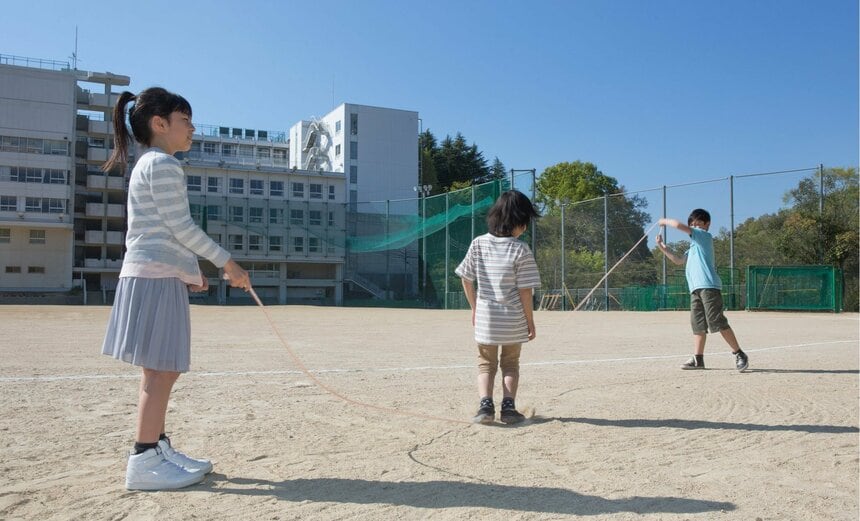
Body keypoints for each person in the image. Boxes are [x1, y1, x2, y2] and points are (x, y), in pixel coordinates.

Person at [101, 87, 251, 490]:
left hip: (156, 274)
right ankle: (145, 457)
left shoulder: (150, 164)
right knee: (162, 369)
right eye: (185, 121)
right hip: (152, 277)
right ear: (160, 123)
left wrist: (190, 272)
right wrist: (227, 263)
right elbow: (181, 229)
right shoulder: (163, 165)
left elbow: (162, 233)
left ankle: (157, 448)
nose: (192, 129)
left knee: (163, 369)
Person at [455, 190, 541, 424]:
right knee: (511, 364)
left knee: (485, 364)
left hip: (487, 320)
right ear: (520, 221)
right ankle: (509, 407)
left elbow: (466, 278)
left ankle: (485, 407)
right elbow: (525, 291)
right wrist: (530, 321)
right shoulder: (521, 249)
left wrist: (475, 307)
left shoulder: (478, 243)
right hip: (513, 320)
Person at [656, 209, 749, 372]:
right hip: (695, 289)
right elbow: (678, 260)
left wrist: (665, 221)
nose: (694, 225)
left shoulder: (704, 237)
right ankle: (698, 359)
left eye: (698, 222)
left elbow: (679, 225)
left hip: (709, 286)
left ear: (707, 224)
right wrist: (662, 247)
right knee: (697, 325)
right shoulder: (692, 247)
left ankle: (739, 354)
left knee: (717, 321)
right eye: (692, 223)